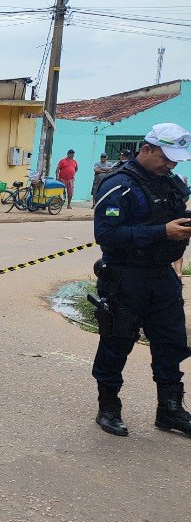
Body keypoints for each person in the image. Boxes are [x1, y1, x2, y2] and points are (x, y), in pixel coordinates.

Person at [90, 122, 191, 437]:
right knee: (117, 343)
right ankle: (108, 407)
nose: (170, 164)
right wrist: (162, 232)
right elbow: (106, 233)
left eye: (175, 160)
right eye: (165, 157)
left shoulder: (170, 182)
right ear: (146, 149)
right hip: (125, 278)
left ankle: (170, 410)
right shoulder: (118, 184)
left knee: (171, 344)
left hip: (162, 278)